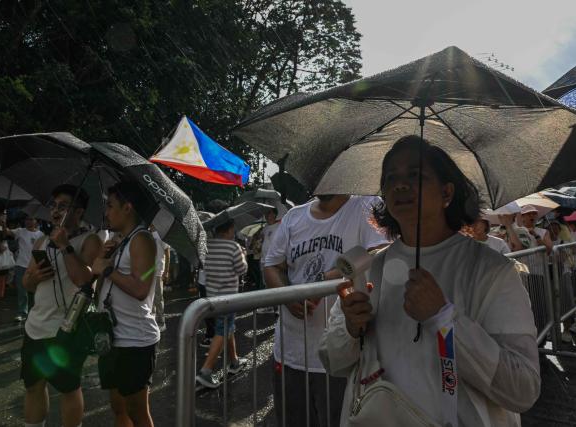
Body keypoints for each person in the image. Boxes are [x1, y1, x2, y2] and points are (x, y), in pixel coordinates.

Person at [319, 135, 540, 427]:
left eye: (416, 175)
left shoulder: (493, 271)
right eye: (390, 178)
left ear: (447, 192)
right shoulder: (369, 268)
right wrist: (350, 328)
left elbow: (522, 388)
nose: (400, 184)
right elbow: (331, 360)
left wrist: (445, 318)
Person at [264, 193, 388, 427]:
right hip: (289, 352)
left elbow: (383, 252)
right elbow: (272, 265)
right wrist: (289, 296)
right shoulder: (293, 216)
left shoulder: (366, 206)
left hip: (339, 355)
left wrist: (326, 279)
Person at [20, 185, 103, 427]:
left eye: (63, 206)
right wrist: (34, 277)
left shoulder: (90, 241)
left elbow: (84, 281)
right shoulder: (41, 242)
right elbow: (27, 284)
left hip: (67, 328)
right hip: (35, 325)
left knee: (69, 388)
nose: (55, 211)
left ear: (79, 212)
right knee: (33, 385)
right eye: (53, 206)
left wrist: (66, 246)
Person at [92, 181, 159, 427]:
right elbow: (100, 287)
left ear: (128, 207)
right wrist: (103, 260)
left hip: (135, 339)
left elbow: (141, 289)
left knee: (136, 410)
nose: (106, 212)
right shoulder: (121, 240)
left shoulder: (142, 239)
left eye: (110, 206)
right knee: (118, 406)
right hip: (113, 337)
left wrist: (108, 269)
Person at [196, 219, 249, 388]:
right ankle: (206, 371)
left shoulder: (207, 246)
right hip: (228, 298)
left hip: (212, 297)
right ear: (228, 230)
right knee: (223, 329)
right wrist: (243, 255)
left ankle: (234, 362)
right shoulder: (233, 247)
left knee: (227, 327)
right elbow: (242, 269)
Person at [3, 215, 44, 321]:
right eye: (26, 219)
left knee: (35, 290)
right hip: (21, 265)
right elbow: (7, 232)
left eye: (31, 219)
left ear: (36, 221)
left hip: (35, 266)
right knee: (22, 291)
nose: (28, 221)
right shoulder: (20, 231)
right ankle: (22, 312)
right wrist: (3, 222)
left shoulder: (41, 235)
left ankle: (34, 313)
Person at [150, 225, 170, 332]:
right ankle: (152, 321)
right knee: (150, 298)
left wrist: (166, 271)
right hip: (148, 272)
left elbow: (167, 252)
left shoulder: (161, 234)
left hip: (158, 271)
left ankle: (162, 322)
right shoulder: (146, 233)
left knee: (158, 298)